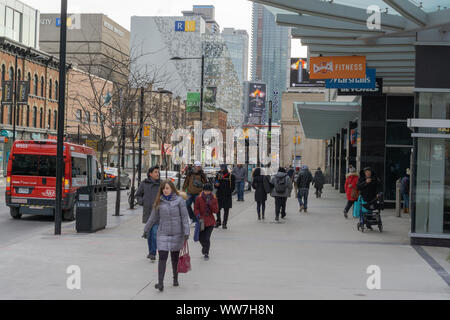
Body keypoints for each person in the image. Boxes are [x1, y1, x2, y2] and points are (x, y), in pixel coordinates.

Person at [144, 181, 190, 292]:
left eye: (167, 188)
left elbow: (184, 218)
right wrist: (146, 229)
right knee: (162, 258)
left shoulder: (179, 201)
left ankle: (175, 278)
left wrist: (186, 232)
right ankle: (160, 283)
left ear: (172, 189)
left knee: (174, 258)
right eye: (164, 188)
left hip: (177, 233)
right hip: (163, 233)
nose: (165, 190)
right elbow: (153, 217)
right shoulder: (159, 201)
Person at [136, 166, 161, 262]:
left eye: (158, 172)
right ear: (150, 174)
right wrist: (142, 202)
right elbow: (138, 195)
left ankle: (153, 253)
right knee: (149, 234)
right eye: (155, 172)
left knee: (155, 233)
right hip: (148, 212)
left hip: (158, 213)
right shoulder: (144, 183)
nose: (157, 174)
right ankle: (151, 252)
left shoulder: (161, 184)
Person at [195, 184, 219, 260]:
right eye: (205, 191)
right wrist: (197, 214)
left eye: (208, 191)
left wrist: (211, 204)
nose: (206, 192)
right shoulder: (199, 198)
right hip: (201, 221)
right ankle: (204, 247)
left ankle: (206, 253)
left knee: (207, 238)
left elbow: (216, 210)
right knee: (200, 237)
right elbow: (196, 208)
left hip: (210, 222)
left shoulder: (214, 199)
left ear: (211, 191)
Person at [214, 164, 235, 229]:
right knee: (217, 209)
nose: (222, 169)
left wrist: (229, 192)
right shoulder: (218, 175)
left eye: (223, 168)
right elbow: (215, 184)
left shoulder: (231, 176)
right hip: (219, 194)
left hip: (227, 195)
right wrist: (216, 185)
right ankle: (218, 221)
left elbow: (233, 186)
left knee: (226, 210)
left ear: (226, 168)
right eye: (221, 167)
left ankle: (224, 223)